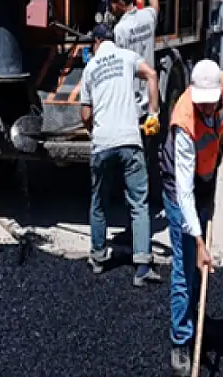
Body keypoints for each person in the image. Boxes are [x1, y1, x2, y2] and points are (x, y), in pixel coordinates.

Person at [161, 59, 223, 377]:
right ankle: (180, 341)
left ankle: (191, 318)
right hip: (180, 190)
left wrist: (217, 158)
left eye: (212, 102)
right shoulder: (184, 123)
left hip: (206, 179)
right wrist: (200, 242)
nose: (207, 108)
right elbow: (184, 192)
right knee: (185, 265)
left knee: (194, 268)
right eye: (202, 102)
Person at [79, 24, 163, 287]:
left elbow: (85, 115)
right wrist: (153, 113)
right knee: (139, 202)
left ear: (96, 43)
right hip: (130, 141)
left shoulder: (91, 68)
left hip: (103, 143)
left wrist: (95, 131)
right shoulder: (127, 57)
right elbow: (151, 75)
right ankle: (141, 266)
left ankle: (98, 257)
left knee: (99, 201)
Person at [101, 0, 163, 209]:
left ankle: (134, 221)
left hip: (131, 108)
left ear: (119, 3)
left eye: (110, 1)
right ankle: (147, 201)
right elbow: (155, 5)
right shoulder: (147, 18)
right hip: (148, 105)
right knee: (145, 160)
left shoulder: (121, 31)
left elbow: (118, 68)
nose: (109, 6)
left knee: (130, 172)